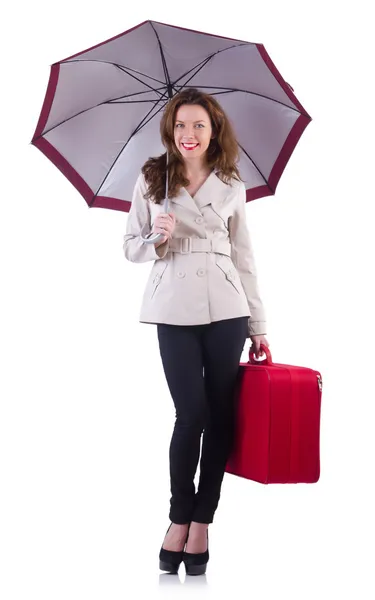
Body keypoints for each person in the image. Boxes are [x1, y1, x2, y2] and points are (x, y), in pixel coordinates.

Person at [123, 88, 269, 575]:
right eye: (181, 126)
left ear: (214, 130)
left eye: (198, 126)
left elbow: (244, 256)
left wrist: (259, 325)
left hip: (227, 307)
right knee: (191, 414)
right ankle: (178, 516)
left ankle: (203, 520)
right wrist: (154, 236)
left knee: (222, 413)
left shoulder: (231, 182)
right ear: (171, 130)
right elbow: (129, 247)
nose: (189, 134)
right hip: (173, 306)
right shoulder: (151, 179)